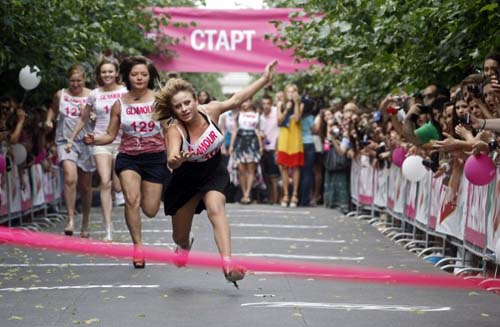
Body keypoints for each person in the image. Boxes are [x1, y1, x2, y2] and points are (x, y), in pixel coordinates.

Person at [153, 60, 277, 287]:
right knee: (179, 235)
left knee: (216, 209)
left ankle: (228, 264)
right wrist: (177, 159)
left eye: (187, 103)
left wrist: (264, 79)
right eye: (178, 107)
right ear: (173, 110)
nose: (184, 109)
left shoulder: (210, 110)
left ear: (196, 100)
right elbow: (171, 156)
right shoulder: (175, 129)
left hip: (213, 172)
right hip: (185, 179)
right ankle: (183, 245)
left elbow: (237, 99)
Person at [84, 56, 168, 268]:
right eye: (134, 74)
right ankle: (138, 247)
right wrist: (95, 138)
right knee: (131, 199)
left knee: (150, 210)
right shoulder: (119, 104)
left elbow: (170, 132)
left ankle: (139, 233)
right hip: (129, 157)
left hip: (155, 157)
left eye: (143, 74)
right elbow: (110, 135)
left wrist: (174, 156)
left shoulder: (159, 101)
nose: (139, 78)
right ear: (127, 77)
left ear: (149, 77)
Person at [65, 57, 127, 242]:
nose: (107, 74)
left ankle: (123, 198)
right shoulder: (94, 94)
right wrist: (71, 138)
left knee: (117, 185)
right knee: (105, 183)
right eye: (103, 72)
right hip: (101, 141)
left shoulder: (125, 92)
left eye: (110, 71)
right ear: (99, 75)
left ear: (116, 73)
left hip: (123, 142)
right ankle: (108, 228)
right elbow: (83, 118)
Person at [44, 64, 94, 237]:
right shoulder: (61, 94)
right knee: (70, 177)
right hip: (66, 141)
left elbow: (100, 116)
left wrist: (90, 115)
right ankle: (70, 219)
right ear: (68, 81)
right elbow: (52, 108)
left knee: (85, 187)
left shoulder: (91, 96)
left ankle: (86, 222)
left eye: (79, 81)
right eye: (72, 81)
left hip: (87, 142)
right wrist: (49, 120)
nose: (75, 84)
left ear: (84, 79)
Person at [229, 99, 263, 204]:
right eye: (243, 102)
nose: (245, 104)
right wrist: (231, 145)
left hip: (253, 142)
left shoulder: (257, 115)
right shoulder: (238, 114)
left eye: (247, 101)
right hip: (240, 141)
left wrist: (261, 145)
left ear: (251, 102)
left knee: (251, 169)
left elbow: (258, 130)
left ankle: (248, 193)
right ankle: (244, 193)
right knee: (241, 169)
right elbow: (235, 130)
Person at [276, 84, 304, 207]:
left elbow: (297, 118)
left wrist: (296, 103)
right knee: (284, 167)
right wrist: (286, 109)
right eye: (288, 91)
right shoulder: (280, 105)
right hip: (284, 136)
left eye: (293, 91)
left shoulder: (301, 104)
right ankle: (286, 194)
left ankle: (295, 195)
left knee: (296, 167)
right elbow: (279, 121)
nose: (291, 94)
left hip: (295, 137)